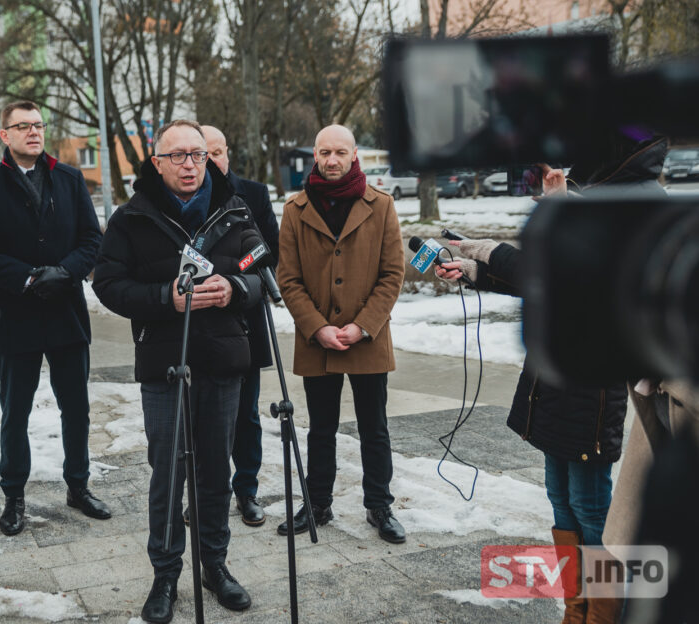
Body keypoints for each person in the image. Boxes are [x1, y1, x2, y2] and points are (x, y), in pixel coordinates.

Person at [434, 135, 669, 624]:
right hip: (553, 383)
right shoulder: (592, 198)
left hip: (592, 391)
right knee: (560, 500)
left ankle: (605, 614)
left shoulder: (640, 204)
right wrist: (474, 272)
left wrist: (511, 239)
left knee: (591, 507)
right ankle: (576, 608)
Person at [94, 119, 263, 623]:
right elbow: (107, 284)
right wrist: (164, 298)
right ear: (157, 162)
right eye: (178, 156)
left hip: (223, 360)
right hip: (164, 362)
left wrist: (236, 289)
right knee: (168, 473)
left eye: (197, 155)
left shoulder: (233, 208)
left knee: (215, 472)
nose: (190, 164)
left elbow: (262, 273)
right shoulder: (132, 218)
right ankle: (166, 574)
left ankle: (216, 565)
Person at [0, 100, 109, 537]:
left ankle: (78, 487)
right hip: (15, 315)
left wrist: (65, 272)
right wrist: (27, 278)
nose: (34, 132)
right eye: (23, 126)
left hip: (66, 311)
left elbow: (91, 240)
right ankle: (14, 496)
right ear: (4, 135)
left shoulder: (68, 177)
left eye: (39, 125)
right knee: (16, 412)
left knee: (76, 409)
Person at [275, 124, 407, 544]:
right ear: (315, 156)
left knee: (375, 427)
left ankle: (379, 505)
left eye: (340, 153)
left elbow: (392, 274)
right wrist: (318, 328)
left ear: (355, 156)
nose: (332, 160)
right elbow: (288, 279)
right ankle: (318, 503)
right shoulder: (295, 210)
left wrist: (362, 326)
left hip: (367, 338)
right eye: (324, 152)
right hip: (318, 342)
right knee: (320, 428)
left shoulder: (381, 205)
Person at [202, 125, 278, 527]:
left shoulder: (254, 194)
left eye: (219, 151)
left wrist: (234, 278)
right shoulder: (180, 198)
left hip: (245, 317)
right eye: (204, 152)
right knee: (200, 417)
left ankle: (246, 490)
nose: (213, 160)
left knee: (245, 414)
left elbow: (270, 254)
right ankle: (201, 493)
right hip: (196, 320)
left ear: (227, 152)